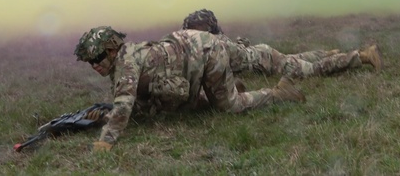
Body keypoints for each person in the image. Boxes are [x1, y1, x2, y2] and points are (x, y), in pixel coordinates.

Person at [74, 25, 306, 151]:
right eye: (89, 61)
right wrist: (105, 116)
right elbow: (136, 103)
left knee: (228, 106)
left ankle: (280, 93)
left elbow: (124, 103)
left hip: (205, 52)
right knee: (183, 100)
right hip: (192, 53)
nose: (94, 65)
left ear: (112, 50)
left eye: (98, 58)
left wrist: (107, 140)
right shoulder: (121, 64)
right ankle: (228, 85)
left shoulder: (126, 63)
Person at [181, 8, 383, 79]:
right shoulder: (217, 41)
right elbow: (236, 47)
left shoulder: (211, 46)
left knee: (313, 71)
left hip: (264, 61)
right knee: (294, 58)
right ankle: (328, 52)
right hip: (262, 54)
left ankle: (363, 56)